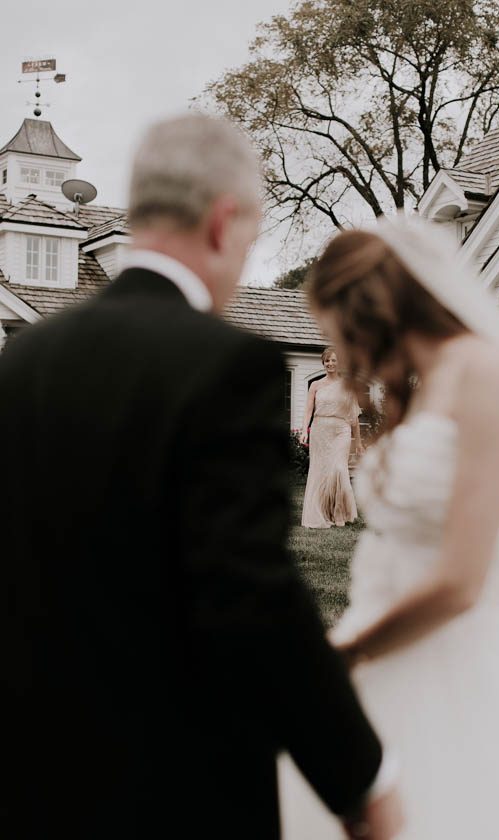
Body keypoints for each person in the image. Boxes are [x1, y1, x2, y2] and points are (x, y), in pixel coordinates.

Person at [0, 114, 402, 840]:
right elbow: (250, 598)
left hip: (31, 779)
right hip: (175, 787)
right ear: (224, 222)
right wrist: (360, 780)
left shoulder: (22, 364)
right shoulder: (225, 365)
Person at [280, 217, 499, 839]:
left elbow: (463, 579)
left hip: (471, 654)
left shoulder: (486, 373)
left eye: (339, 329)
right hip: (390, 638)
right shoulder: (419, 389)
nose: (341, 349)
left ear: (372, 309)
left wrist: (345, 653)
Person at [301, 347, 363, 528]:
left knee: (339, 469)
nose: (330, 364)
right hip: (320, 430)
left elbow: (354, 417)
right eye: (327, 361)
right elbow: (308, 411)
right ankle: (322, 511)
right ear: (323, 363)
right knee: (321, 472)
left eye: (334, 360)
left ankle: (339, 512)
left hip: (341, 431)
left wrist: (358, 442)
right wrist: (305, 430)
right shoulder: (315, 385)